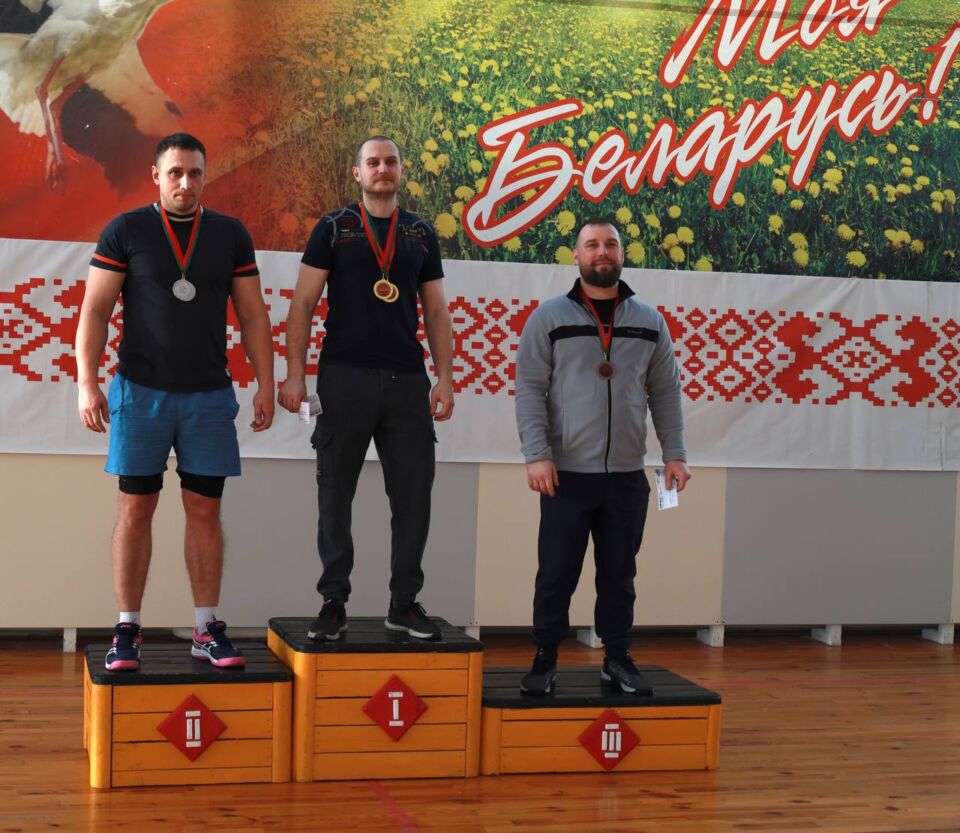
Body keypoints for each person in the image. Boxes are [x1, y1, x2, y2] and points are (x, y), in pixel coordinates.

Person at [76, 133, 275, 671]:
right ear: (156, 176)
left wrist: (266, 383)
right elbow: (95, 311)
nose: (185, 183)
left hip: (208, 397)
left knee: (204, 509)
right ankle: (127, 628)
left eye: (195, 173)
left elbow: (253, 315)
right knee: (135, 508)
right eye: (175, 173)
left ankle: (206, 628)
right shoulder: (126, 230)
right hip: (140, 393)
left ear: (205, 175)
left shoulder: (230, 235)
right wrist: (87, 382)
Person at [278, 136, 454, 642]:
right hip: (343, 378)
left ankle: (404, 603)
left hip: (407, 381)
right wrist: (295, 374)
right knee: (335, 493)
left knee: (414, 496)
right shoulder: (334, 228)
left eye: (390, 161)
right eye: (372, 162)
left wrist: (444, 378)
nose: (382, 169)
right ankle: (333, 601)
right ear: (357, 173)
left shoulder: (420, 233)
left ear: (402, 170)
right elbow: (303, 304)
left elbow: (436, 310)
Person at [514, 218, 691, 695]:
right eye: (591, 245)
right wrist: (537, 454)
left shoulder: (650, 321)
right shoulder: (548, 318)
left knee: (619, 576)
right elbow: (529, 389)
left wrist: (675, 454)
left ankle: (617, 658)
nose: (602, 252)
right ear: (576, 256)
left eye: (610, 244)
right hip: (565, 475)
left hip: (626, 477)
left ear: (622, 254)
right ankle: (545, 657)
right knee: (556, 573)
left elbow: (666, 393)